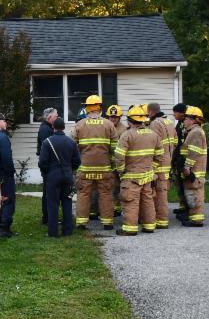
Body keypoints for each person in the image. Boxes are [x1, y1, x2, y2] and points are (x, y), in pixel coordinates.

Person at [112, 105, 163, 236]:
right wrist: (152, 168)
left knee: (130, 201)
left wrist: (121, 171)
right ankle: (149, 226)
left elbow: (119, 156)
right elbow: (159, 155)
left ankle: (130, 228)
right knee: (147, 201)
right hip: (147, 175)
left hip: (131, 176)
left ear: (129, 120)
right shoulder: (153, 134)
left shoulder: (127, 135)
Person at [73, 94, 118, 230]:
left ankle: (81, 222)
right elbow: (115, 148)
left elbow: (72, 146)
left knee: (83, 194)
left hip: (85, 168)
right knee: (105, 194)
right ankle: (107, 222)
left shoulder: (79, 125)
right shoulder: (109, 124)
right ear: (100, 108)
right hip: (104, 168)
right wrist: (112, 163)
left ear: (87, 108)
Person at [40, 116, 80, 237]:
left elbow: (43, 162)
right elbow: (77, 161)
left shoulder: (47, 142)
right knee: (67, 202)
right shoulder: (71, 142)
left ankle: (53, 232)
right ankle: (68, 230)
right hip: (67, 176)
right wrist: (69, 169)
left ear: (53, 127)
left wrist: (47, 173)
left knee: (52, 204)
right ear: (63, 127)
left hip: (53, 176)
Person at [147, 102, 178, 229]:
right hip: (168, 161)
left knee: (159, 193)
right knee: (163, 192)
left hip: (158, 164)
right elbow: (175, 141)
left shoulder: (154, 124)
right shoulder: (169, 122)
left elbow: (153, 144)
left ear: (150, 111)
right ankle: (162, 219)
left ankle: (160, 220)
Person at [179, 106, 208, 227]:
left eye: (186, 118)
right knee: (192, 193)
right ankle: (194, 218)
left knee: (195, 194)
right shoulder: (194, 131)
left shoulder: (196, 132)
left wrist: (187, 167)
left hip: (194, 171)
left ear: (194, 120)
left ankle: (196, 220)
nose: (184, 121)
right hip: (194, 170)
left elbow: (193, 152)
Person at [37, 107, 59, 225]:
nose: (57, 117)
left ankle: (48, 216)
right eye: (56, 116)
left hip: (49, 166)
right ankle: (47, 217)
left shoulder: (47, 127)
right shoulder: (46, 130)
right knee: (49, 192)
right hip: (48, 166)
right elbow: (48, 150)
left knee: (49, 191)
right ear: (49, 117)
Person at [171, 102, 190, 220]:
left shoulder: (185, 125)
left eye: (175, 112)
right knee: (179, 184)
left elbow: (182, 143)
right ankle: (183, 206)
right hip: (178, 157)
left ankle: (188, 210)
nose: (174, 115)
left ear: (181, 113)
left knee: (185, 185)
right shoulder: (179, 124)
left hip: (183, 159)